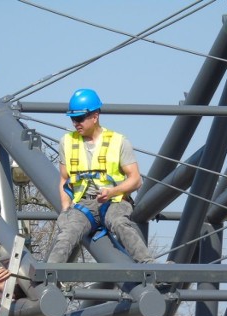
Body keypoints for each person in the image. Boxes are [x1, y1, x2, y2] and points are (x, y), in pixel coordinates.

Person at [47, 88, 154, 264]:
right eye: (73, 119)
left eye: (80, 118)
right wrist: (65, 210)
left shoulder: (118, 141)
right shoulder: (66, 142)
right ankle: (46, 276)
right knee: (67, 233)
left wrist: (112, 192)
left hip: (114, 201)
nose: (75, 123)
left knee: (119, 223)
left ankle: (150, 266)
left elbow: (136, 180)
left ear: (95, 116)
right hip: (84, 204)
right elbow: (64, 180)